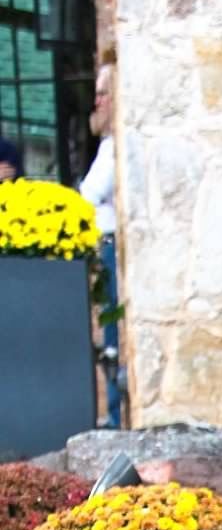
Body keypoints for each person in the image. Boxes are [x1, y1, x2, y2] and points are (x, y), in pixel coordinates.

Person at [79, 64, 121, 428]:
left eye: (103, 92)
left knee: (114, 339)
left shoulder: (114, 150)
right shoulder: (107, 146)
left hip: (113, 248)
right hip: (105, 246)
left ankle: (116, 415)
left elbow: (90, 194)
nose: (97, 101)